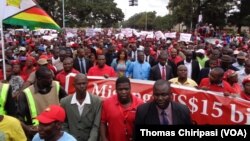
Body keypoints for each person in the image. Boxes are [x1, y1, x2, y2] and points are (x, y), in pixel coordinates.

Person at [18, 66, 67, 138]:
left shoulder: (57, 86)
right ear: (39, 79)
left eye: (51, 77)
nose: (51, 80)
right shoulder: (25, 93)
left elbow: (66, 103)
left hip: (56, 131)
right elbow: (19, 118)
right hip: (37, 133)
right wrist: (27, 128)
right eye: (48, 78)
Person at [60, 74, 102, 141]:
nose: (82, 86)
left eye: (84, 83)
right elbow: (64, 124)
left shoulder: (97, 101)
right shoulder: (65, 102)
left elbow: (96, 126)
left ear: (87, 84)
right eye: (79, 84)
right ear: (74, 85)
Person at [100, 76, 143, 141]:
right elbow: (102, 122)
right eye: (120, 89)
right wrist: (104, 138)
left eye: (126, 89)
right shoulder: (107, 103)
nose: (123, 92)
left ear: (130, 89)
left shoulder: (140, 104)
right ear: (116, 90)